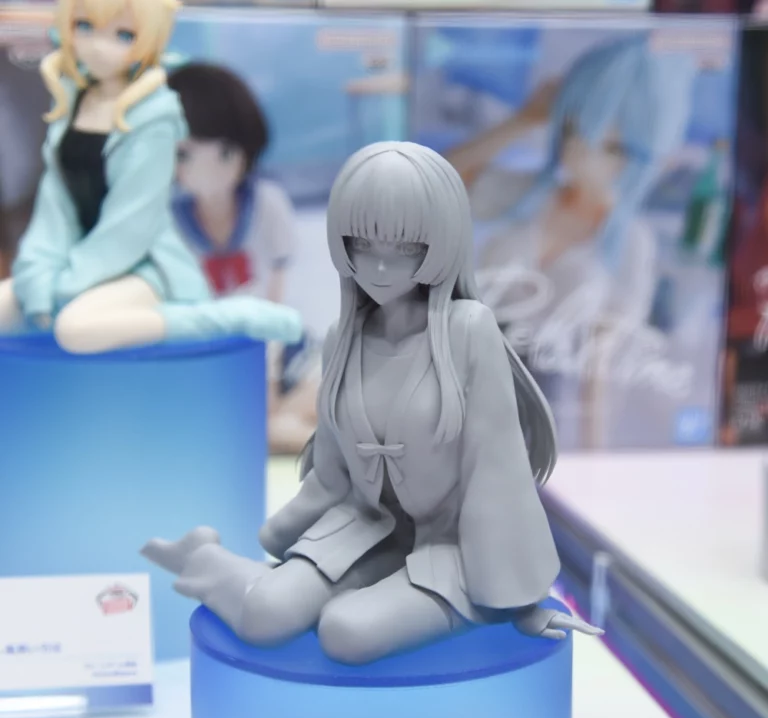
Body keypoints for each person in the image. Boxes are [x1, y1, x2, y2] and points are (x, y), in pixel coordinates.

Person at [141, 141, 602, 666]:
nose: (380, 264)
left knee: (346, 631)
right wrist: (285, 537)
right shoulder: (344, 336)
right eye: (362, 243)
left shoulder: (467, 330)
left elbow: (495, 466)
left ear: (440, 241)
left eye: (405, 247)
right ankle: (204, 559)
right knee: (265, 614)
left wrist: (519, 599)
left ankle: (312, 589)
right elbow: (333, 472)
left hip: (449, 549)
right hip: (365, 527)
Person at [0, 0, 301, 354]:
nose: (99, 47)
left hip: (145, 268)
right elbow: (55, 205)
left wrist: (66, 284)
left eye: (124, 35)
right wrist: (39, 272)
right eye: (84, 27)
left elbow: (131, 227)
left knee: (76, 330)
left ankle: (225, 316)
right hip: (76, 265)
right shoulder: (70, 103)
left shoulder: (157, 116)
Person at [447, 35, 695, 447]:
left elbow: (600, 368)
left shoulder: (631, 242)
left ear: (645, 156)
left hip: (541, 405)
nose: (580, 150)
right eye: (572, 128)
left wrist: (594, 457)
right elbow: (431, 183)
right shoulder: (530, 195)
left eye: (610, 146)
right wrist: (522, 121)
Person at [168, 62, 320, 454]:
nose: (207, 169)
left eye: (224, 153)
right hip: (215, 364)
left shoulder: (267, 204)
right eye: (183, 154)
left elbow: (277, 304)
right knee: (244, 431)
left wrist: (266, 381)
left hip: (283, 352)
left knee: (332, 392)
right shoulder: (169, 223)